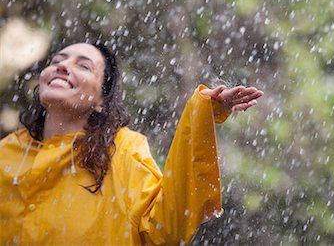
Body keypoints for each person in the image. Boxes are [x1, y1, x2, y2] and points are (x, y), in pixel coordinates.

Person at [0, 42, 263, 245]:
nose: (62, 66)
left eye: (83, 66)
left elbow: (168, 228)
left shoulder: (122, 151)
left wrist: (201, 112)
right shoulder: (7, 151)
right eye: (57, 60)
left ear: (101, 101)